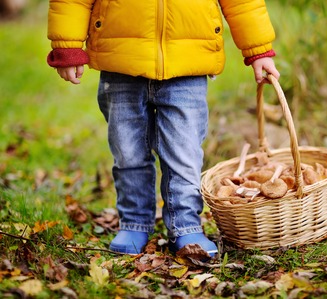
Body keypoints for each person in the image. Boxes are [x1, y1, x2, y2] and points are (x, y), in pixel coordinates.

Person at [47, 0, 280, 257]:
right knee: (128, 152)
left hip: (188, 63)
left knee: (184, 153)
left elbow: (242, 3)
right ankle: (134, 223)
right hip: (120, 60)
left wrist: (258, 49)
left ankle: (186, 225)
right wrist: (66, 45)